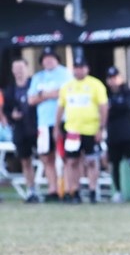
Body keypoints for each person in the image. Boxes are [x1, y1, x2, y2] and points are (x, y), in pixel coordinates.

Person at [55, 54, 108, 204]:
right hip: (72, 131)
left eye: (81, 68)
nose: (79, 71)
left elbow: (103, 107)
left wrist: (101, 128)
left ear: (87, 69)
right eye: (76, 68)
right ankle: (74, 191)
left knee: (91, 161)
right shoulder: (67, 87)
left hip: (91, 129)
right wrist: (57, 127)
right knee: (72, 162)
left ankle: (92, 191)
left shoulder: (96, 85)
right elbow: (60, 108)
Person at [28, 46, 72, 202]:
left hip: (64, 120)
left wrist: (43, 95)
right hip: (44, 122)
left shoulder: (65, 73)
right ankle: (53, 190)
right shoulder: (38, 77)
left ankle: (68, 190)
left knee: (66, 156)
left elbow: (65, 93)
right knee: (47, 157)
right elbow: (31, 99)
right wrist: (51, 94)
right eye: (45, 58)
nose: (48, 61)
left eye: (51, 58)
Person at [105, 67, 130, 202]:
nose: (113, 81)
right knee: (115, 164)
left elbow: (127, 106)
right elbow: (104, 110)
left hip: (128, 134)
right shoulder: (105, 94)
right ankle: (118, 192)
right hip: (113, 135)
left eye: (115, 77)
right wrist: (115, 107)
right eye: (110, 78)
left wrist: (113, 107)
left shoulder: (127, 92)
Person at [3, 59, 39, 202]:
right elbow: (6, 110)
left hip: (36, 128)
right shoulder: (10, 90)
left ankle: (53, 190)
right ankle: (31, 191)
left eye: (21, 67)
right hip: (20, 130)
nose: (18, 71)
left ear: (27, 68)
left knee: (46, 159)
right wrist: (12, 116)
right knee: (25, 160)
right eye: (15, 68)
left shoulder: (35, 85)